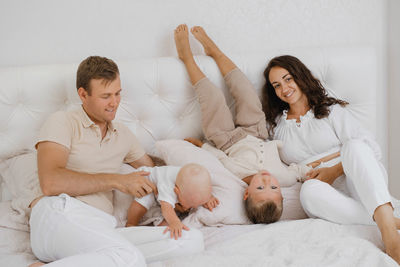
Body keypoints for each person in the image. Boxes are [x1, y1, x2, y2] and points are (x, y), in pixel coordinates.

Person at [28, 56, 204, 267]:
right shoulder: (62, 122)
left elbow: (154, 172)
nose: (114, 103)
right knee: (129, 258)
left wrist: (190, 153)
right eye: (105, 96)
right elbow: (50, 182)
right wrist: (117, 181)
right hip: (60, 213)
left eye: (118, 93)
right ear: (83, 94)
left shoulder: (123, 134)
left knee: (191, 240)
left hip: (101, 227)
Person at [174, 24, 338, 224]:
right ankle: (215, 52)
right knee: (245, 91)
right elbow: (303, 170)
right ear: (282, 192)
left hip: (225, 139)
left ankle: (187, 59)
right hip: (256, 131)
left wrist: (200, 145)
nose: (267, 181)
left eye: (260, 188)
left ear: (246, 194)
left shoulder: (235, 176)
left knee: (212, 96)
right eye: (273, 188)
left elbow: (217, 159)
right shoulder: (285, 178)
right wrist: (328, 162)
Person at [262, 55, 400, 264]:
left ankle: (391, 236)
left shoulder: (330, 111)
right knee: (308, 192)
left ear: (300, 77)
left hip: (358, 177)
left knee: (354, 146)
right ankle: (389, 219)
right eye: (277, 85)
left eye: (288, 79)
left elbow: (371, 148)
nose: (284, 88)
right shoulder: (276, 127)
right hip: (328, 195)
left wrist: (335, 170)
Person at [126, 163, 219, 239]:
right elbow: (166, 209)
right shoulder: (168, 187)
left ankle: (157, 229)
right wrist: (174, 222)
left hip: (159, 196)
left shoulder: (190, 182)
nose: (189, 208)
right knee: (143, 202)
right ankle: (131, 223)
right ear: (176, 191)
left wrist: (208, 198)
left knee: (166, 225)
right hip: (147, 185)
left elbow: (200, 189)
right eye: (189, 205)